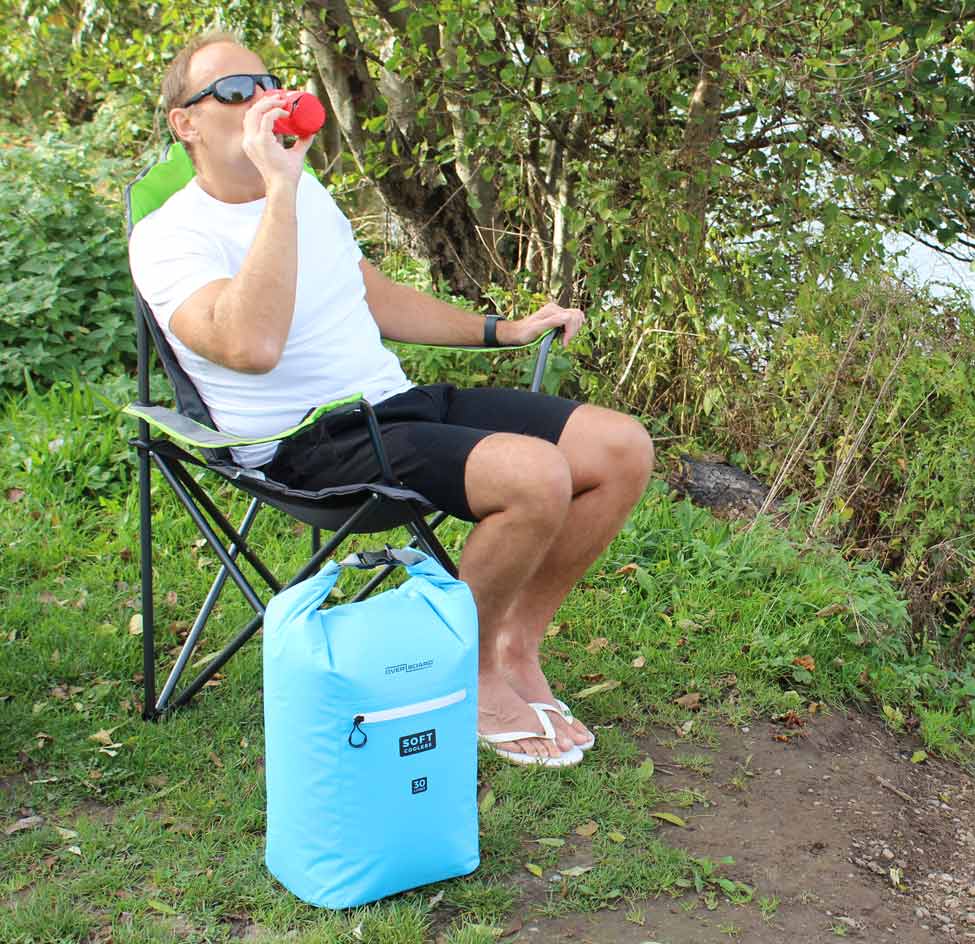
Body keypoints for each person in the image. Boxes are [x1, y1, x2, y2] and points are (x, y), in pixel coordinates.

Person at [129, 33, 654, 767]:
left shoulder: (307, 193)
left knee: (621, 448)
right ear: (185, 122)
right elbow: (251, 346)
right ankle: (469, 673)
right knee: (535, 476)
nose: (262, 100)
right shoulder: (169, 236)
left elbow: (371, 294)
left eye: (269, 83)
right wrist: (279, 191)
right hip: (306, 444)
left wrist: (501, 329)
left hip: (394, 405)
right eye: (236, 91)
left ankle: (515, 644)